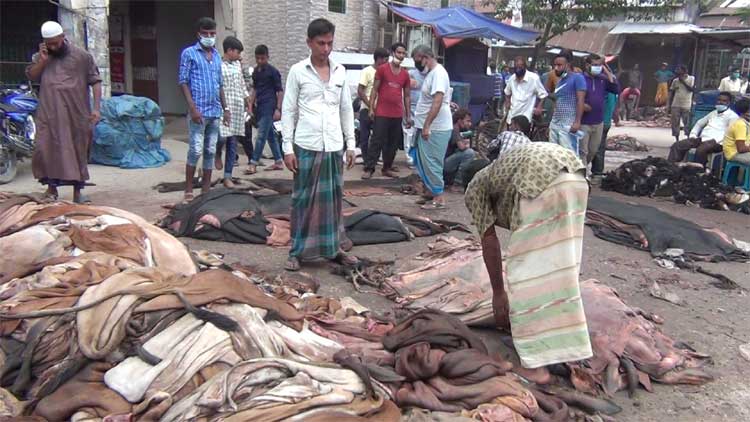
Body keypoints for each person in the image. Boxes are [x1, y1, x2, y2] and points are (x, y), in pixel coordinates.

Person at [464, 142, 592, 370]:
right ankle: (569, 344)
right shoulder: (501, 174)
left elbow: (489, 240)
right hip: (575, 176)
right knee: (562, 265)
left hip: (539, 177)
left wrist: (498, 294)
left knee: (524, 270)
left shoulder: (475, 187)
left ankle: (535, 352)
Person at [281, 18, 357, 272]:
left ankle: (332, 248)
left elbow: (346, 109)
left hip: (334, 146)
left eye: (330, 43)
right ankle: (296, 252)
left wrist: (351, 144)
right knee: (302, 200)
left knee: (333, 201)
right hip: (306, 146)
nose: (326, 49)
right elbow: (288, 110)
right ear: (309, 43)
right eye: (321, 43)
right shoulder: (297, 71)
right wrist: (287, 148)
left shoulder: (340, 72)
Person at [25, 21, 102, 203]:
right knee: (46, 148)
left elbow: (96, 81)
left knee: (77, 149)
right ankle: (52, 190)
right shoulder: (41, 56)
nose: (53, 46)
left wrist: (97, 108)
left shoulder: (82, 56)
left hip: (76, 112)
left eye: (55, 42)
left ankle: (78, 193)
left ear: (62, 37)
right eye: (49, 43)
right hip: (49, 113)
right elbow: (31, 75)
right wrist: (42, 62)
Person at [178, 17, 228, 202]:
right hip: (198, 113)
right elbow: (183, 82)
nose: (209, 37)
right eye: (205, 33)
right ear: (198, 34)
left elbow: (220, 84)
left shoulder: (216, 56)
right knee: (196, 150)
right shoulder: (189, 54)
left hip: (215, 112)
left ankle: (206, 190)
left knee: (210, 149)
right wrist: (192, 108)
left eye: (212, 34)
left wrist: (226, 108)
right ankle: (189, 189)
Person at [410, 45, 453, 210]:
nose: (417, 64)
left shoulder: (439, 74)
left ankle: (439, 198)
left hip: (436, 127)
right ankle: (430, 192)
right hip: (425, 126)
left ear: (424, 57)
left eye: (417, 60)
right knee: (423, 160)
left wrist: (427, 125)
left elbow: (437, 101)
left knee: (432, 162)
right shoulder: (431, 74)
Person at [363, 42, 412, 179]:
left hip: (397, 113)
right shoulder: (382, 69)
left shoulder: (405, 74)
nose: (401, 55)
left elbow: (407, 96)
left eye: (403, 53)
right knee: (377, 140)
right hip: (382, 112)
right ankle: (369, 168)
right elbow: (375, 90)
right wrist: (371, 108)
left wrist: (408, 116)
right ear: (392, 53)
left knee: (393, 142)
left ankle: (387, 167)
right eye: (398, 52)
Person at [215, 36, 250, 188]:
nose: (239, 55)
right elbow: (217, 86)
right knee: (222, 137)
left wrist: (247, 98)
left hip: (236, 107)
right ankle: (217, 154)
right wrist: (223, 107)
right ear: (229, 51)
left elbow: (241, 82)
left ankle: (228, 176)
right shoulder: (217, 65)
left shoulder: (237, 65)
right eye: (237, 52)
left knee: (232, 141)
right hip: (223, 107)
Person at [668, 91, 738, 166]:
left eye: (724, 101)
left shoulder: (732, 116)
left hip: (717, 143)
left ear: (729, 103)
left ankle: (698, 172)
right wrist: (693, 135)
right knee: (677, 145)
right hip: (702, 139)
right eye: (719, 100)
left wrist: (716, 141)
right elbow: (699, 123)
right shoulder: (713, 113)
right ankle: (669, 168)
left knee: (701, 150)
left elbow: (730, 134)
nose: (720, 102)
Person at [247, 44, 284, 174]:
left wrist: (278, 109)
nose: (260, 61)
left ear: (267, 57)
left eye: (262, 58)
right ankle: (279, 161)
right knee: (270, 136)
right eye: (257, 58)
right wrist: (250, 106)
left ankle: (253, 163)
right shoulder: (256, 72)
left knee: (261, 135)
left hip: (270, 106)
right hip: (260, 106)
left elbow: (280, 91)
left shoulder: (273, 72)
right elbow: (255, 90)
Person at [580, 54, 618, 165]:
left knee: (593, 151)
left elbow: (615, 89)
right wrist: (582, 105)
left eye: (600, 65)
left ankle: (582, 169)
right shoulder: (580, 79)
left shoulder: (602, 79)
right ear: (587, 65)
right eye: (595, 65)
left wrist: (607, 72)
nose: (598, 67)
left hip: (598, 122)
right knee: (583, 151)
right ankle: (582, 176)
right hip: (583, 122)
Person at [548, 50, 587, 156]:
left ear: (568, 64)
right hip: (555, 123)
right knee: (554, 155)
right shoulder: (560, 81)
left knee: (569, 156)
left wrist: (577, 121)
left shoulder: (578, 78)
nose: (556, 68)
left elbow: (580, 100)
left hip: (568, 124)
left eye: (559, 65)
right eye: (555, 65)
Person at [356, 48, 389, 158]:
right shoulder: (367, 71)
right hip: (366, 108)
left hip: (381, 110)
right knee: (364, 137)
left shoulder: (386, 72)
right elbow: (360, 90)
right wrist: (370, 105)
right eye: (385, 59)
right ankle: (366, 159)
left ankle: (374, 159)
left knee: (379, 136)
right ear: (378, 59)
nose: (387, 62)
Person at [502, 56, 547, 130]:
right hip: (513, 114)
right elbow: (507, 92)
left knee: (523, 139)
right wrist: (507, 102)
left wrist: (539, 107)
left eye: (521, 66)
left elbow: (543, 95)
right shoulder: (512, 78)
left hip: (525, 116)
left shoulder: (533, 78)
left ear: (525, 67)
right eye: (516, 67)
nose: (518, 69)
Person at [591, 89, 620, 176]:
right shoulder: (613, 87)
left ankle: (597, 172)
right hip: (606, 121)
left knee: (596, 148)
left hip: (599, 121)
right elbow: (615, 107)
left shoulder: (602, 86)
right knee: (600, 147)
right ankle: (597, 172)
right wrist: (616, 120)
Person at [443, 108, 475, 187]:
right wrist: (466, 145)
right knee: (469, 153)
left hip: (445, 161)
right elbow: (461, 147)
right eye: (467, 121)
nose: (469, 124)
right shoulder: (455, 129)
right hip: (444, 163)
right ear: (460, 121)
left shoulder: (457, 129)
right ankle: (458, 182)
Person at [669, 65, 695, 143]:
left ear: (684, 71)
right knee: (675, 123)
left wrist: (683, 81)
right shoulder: (675, 81)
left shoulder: (691, 78)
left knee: (687, 122)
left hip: (686, 104)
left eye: (679, 71)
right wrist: (668, 105)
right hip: (676, 104)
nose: (678, 73)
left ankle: (688, 139)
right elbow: (671, 92)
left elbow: (691, 89)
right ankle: (677, 140)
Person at [722, 98, 750, 165]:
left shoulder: (746, 123)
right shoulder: (740, 125)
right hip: (734, 154)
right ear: (743, 113)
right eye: (748, 111)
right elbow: (741, 148)